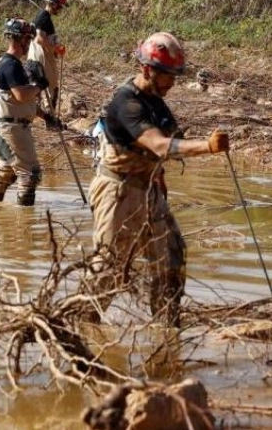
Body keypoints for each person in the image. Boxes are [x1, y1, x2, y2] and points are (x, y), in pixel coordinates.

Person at [84, 32, 229, 326]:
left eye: (174, 75)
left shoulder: (157, 103)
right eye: (167, 75)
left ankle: (166, 327)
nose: (172, 82)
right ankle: (81, 324)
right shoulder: (127, 104)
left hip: (148, 189)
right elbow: (161, 146)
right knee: (109, 269)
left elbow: (162, 149)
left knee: (171, 256)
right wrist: (208, 147)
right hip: (118, 191)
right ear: (147, 69)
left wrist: (160, 181)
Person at [0, 18, 61, 205]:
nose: (29, 43)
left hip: (7, 126)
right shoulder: (10, 65)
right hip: (11, 128)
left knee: (7, 170)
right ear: (20, 39)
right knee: (30, 173)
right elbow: (21, 95)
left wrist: (46, 116)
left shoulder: (12, 64)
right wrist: (38, 85)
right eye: (28, 39)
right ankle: (24, 227)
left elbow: (23, 102)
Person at [29, 0, 69, 120]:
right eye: (60, 6)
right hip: (41, 58)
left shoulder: (44, 17)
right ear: (54, 4)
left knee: (42, 88)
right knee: (50, 88)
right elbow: (39, 39)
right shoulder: (43, 17)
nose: (61, 9)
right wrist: (56, 48)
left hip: (41, 57)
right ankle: (50, 119)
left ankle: (44, 116)